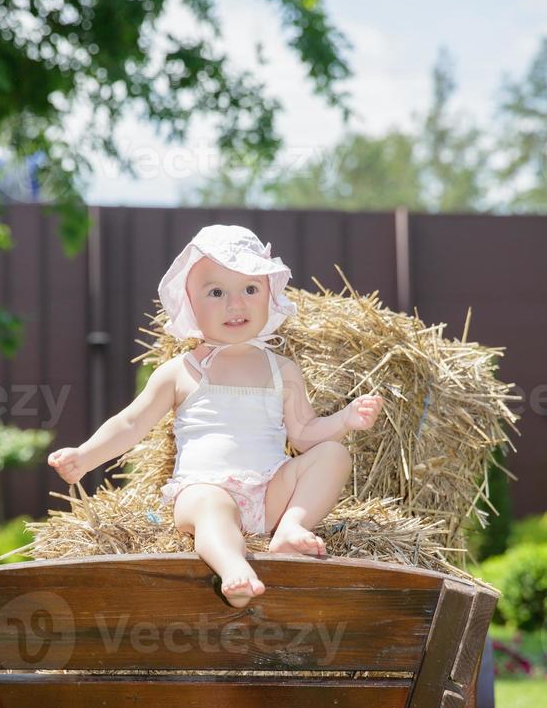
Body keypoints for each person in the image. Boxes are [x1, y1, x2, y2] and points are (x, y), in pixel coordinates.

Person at [48, 224, 384, 608]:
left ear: (270, 296)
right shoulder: (181, 370)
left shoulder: (282, 369)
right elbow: (131, 422)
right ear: (190, 305)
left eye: (250, 290)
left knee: (333, 455)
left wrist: (344, 420)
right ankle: (232, 567)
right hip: (202, 489)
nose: (235, 304)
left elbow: (305, 433)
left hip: (270, 490)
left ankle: (291, 528)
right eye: (217, 292)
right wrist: (86, 456)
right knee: (212, 508)